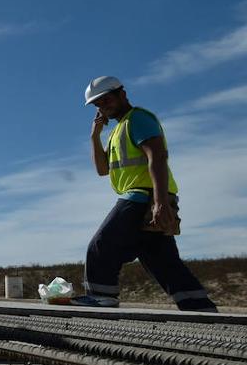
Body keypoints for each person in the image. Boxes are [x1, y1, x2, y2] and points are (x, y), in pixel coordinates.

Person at [72, 76, 217, 311]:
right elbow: (102, 170)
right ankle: (198, 305)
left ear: (122, 94)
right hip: (146, 197)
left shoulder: (137, 119)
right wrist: (95, 136)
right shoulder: (118, 129)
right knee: (160, 259)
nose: (102, 107)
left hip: (143, 197)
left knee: (101, 246)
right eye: (97, 104)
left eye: (106, 99)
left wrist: (160, 202)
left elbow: (157, 156)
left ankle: (101, 295)